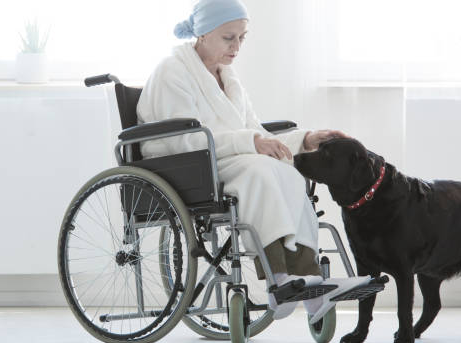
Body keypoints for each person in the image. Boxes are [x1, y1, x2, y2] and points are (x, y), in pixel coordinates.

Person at [136, 0, 349, 319]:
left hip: (226, 160)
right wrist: (251, 142)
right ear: (203, 33)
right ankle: (278, 279)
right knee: (260, 169)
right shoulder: (173, 71)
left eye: (242, 38)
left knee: (288, 173)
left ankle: (310, 281)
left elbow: (255, 130)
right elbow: (184, 139)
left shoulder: (229, 79)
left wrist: (304, 139)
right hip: (185, 164)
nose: (236, 47)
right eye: (228, 38)